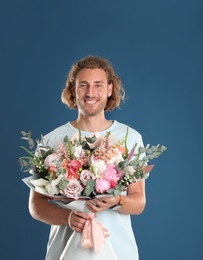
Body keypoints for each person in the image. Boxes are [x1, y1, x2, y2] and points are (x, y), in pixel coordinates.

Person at [29, 55, 146, 259]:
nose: (91, 92)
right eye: (83, 85)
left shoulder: (130, 138)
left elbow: (139, 203)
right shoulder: (51, 140)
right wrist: (67, 217)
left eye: (98, 85)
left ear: (110, 89)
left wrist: (117, 200)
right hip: (64, 252)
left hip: (118, 251)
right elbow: (36, 205)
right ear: (73, 89)